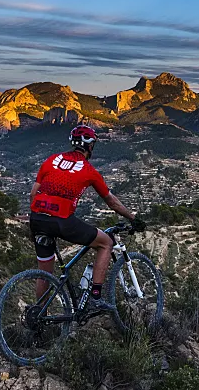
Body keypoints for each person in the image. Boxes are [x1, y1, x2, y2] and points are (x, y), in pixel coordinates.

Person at [29, 124, 145, 310]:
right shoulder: (89, 171)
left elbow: (33, 194)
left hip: (37, 219)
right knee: (106, 242)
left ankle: (38, 316)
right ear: (90, 146)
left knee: (45, 274)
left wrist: (39, 220)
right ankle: (96, 297)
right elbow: (112, 202)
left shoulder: (51, 160)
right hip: (61, 221)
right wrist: (132, 218)